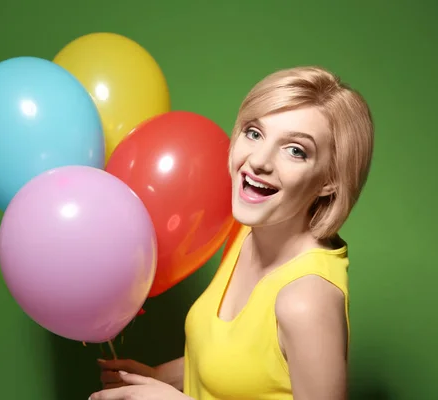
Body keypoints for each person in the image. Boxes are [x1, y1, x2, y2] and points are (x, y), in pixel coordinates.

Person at [89, 65, 374, 400]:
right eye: (254, 133)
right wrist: (159, 377)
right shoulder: (247, 231)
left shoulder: (305, 301)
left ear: (329, 181)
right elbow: (238, 362)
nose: (259, 161)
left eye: (295, 150)